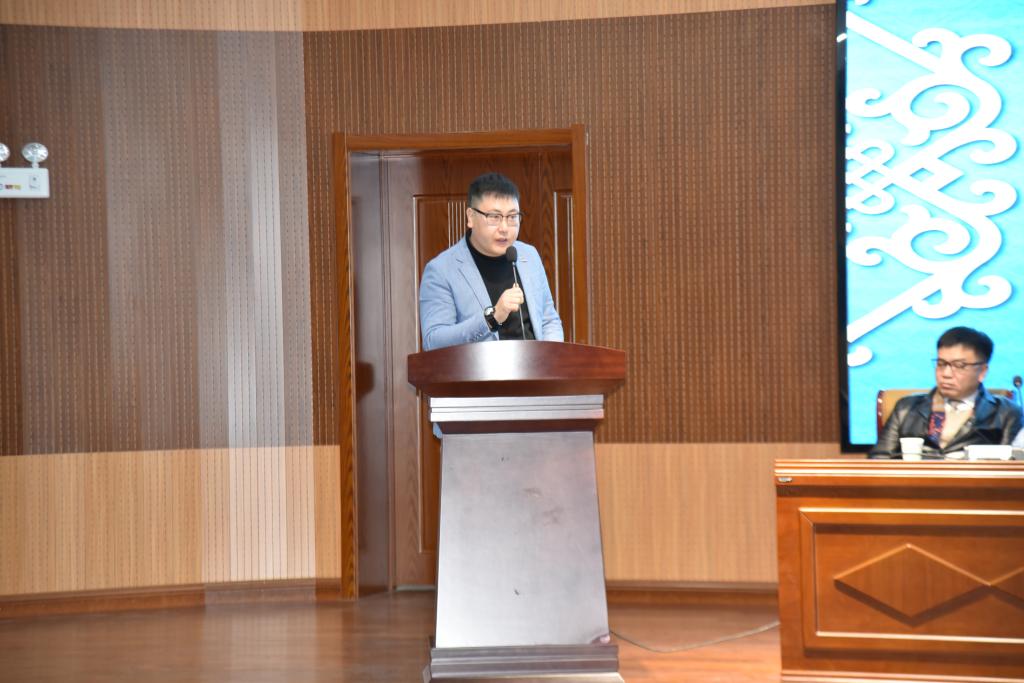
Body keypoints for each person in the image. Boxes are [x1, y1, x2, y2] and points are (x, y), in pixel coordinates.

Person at [418, 172, 563, 351]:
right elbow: (433, 341)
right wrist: (491, 318)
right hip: (477, 369)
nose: (504, 228)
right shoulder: (441, 270)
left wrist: (552, 357)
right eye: (494, 217)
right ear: (471, 217)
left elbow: (548, 320)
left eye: (512, 217)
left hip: (535, 367)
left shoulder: (528, 255)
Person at [870, 326, 1023, 458]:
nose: (946, 374)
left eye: (959, 365)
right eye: (941, 364)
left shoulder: (1006, 414)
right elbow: (879, 460)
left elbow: (1009, 468)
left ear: (982, 371)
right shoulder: (906, 408)